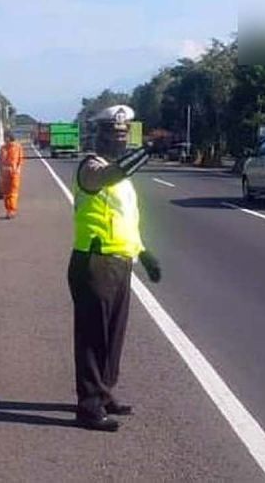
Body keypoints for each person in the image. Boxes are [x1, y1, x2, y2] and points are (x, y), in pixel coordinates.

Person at [69, 105, 161, 432]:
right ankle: (89, 407)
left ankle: (104, 392)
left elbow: (124, 221)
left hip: (119, 261)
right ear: (100, 136)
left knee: (114, 335)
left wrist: (143, 253)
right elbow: (109, 176)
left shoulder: (120, 177)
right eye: (114, 134)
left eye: (123, 134)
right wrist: (146, 151)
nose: (119, 140)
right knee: (94, 337)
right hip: (94, 261)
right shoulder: (91, 168)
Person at [0, 131, 24, 219]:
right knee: (6, 193)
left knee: (13, 193)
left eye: (6, 137)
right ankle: (8, 210)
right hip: (4, 174)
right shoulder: (3, 148)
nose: (5, 139)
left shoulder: (17, 147)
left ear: (10, 137)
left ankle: (12, 211)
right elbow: (0, 161)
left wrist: (18, 169)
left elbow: (20, 159)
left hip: (14, 173)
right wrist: (1, 173)